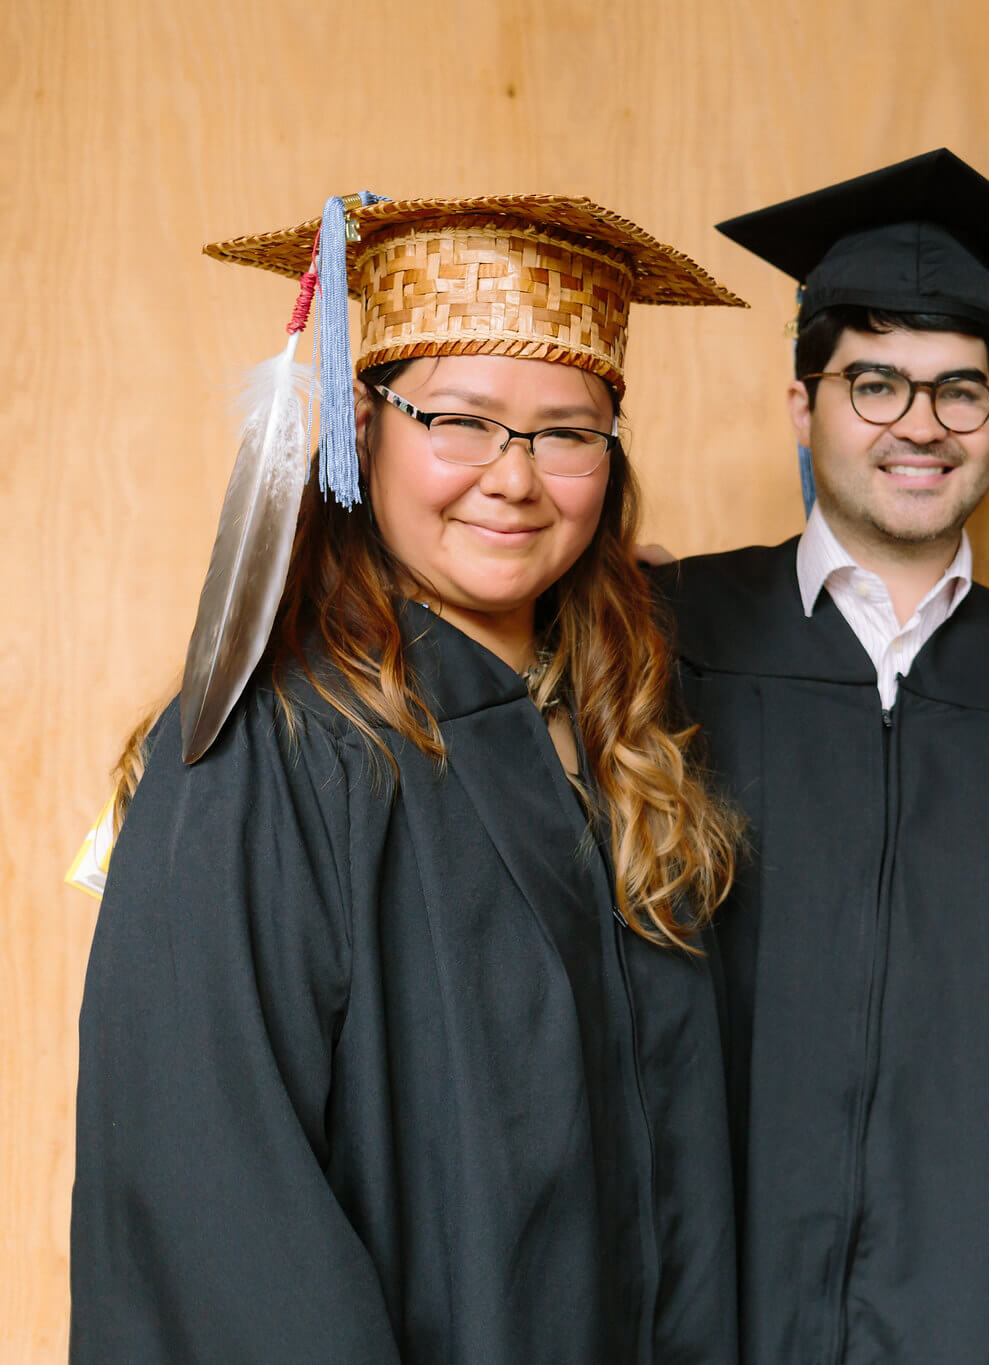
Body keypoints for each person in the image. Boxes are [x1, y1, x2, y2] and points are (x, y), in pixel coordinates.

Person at [71, 194, 748, 1364]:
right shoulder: (271, 749)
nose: (515, 479)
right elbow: (213, 1209)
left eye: (568, 431)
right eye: (459, 420)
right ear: (359, 432)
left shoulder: (621, 745)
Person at [640, 150, 989, 1365]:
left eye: (961, 391)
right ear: (804, 406)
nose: (921, 426)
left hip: (976, 1284)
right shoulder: (670, 636)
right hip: (720, 1269)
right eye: (876, 384)